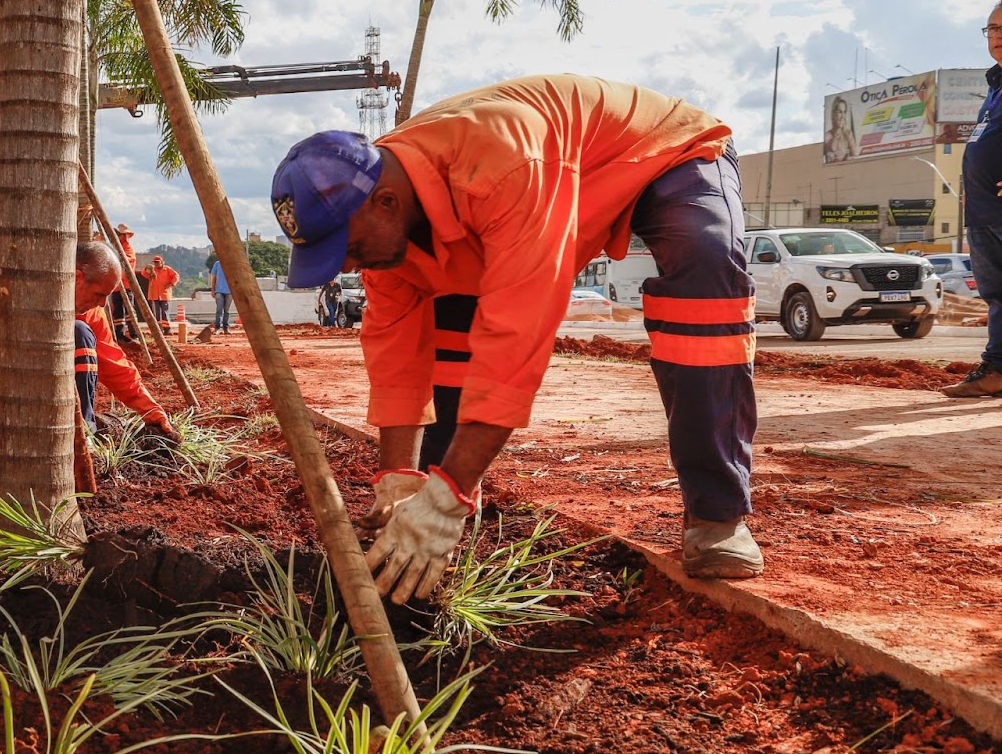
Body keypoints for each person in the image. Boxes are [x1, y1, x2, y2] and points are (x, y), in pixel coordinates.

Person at [270, 75, 762, 602]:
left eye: (349, 247)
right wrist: (400, 478)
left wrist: (446, 495)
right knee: (451, 334)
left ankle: (717, 514)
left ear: (387, 203)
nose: (346, 265)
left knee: (704, 276)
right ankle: (445, 526)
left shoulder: (501, 164)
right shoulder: (383, 210)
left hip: (660, 157)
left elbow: (517, 335)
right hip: (537, 191)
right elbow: (397, 356)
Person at [0, 241, 179, 440]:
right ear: (77, 277)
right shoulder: (18, 288)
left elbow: (114, 362)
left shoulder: (91, 312)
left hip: (52, 408)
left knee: (80, 332)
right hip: (8, 398)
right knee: (78, 331)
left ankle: (81, 433)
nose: (103, 304)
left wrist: (150, 409)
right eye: (99, 294)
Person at [940, 1, 1002, 397]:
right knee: (996, 296)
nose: (996, 35)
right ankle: (996, 371)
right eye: (991, 28)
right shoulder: (995, 87)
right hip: (984, 213)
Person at [109, 223, 139, 342]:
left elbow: (126, 261)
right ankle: (119, 334)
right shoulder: (117, 247)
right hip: (116, 285)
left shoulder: (127, 248)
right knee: (118, 311)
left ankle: (134, 333)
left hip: (125, 285)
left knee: (129, 310)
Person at [141, 254, 180, 332]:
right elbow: (143, 274)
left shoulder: (167, 269)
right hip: (154, 295)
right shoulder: (152, 270)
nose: (156, 264)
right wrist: (145, 269)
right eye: (155, 262)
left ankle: (167, 329)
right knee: (157, 314)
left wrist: (171, 283)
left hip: (165, 295)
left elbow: (176, 276)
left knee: (165, 313)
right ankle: (159, 329)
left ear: (162, 262)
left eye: (158, 262)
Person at [823, 97, 857, 163]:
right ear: (833, 114)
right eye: (840, 112)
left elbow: (855, 156)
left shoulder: (848, 134)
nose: (842, 116)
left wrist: (849, 159)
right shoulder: (827, 136)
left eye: (844, 112)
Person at [209, 255, 232, 333]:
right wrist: (213, 290)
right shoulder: (217, 264)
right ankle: (217, 328)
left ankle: (226, 328)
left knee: (227, 310)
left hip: (229, 291)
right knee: (219, 310)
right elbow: (213, 277)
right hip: (219, 290)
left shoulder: (232, 265)